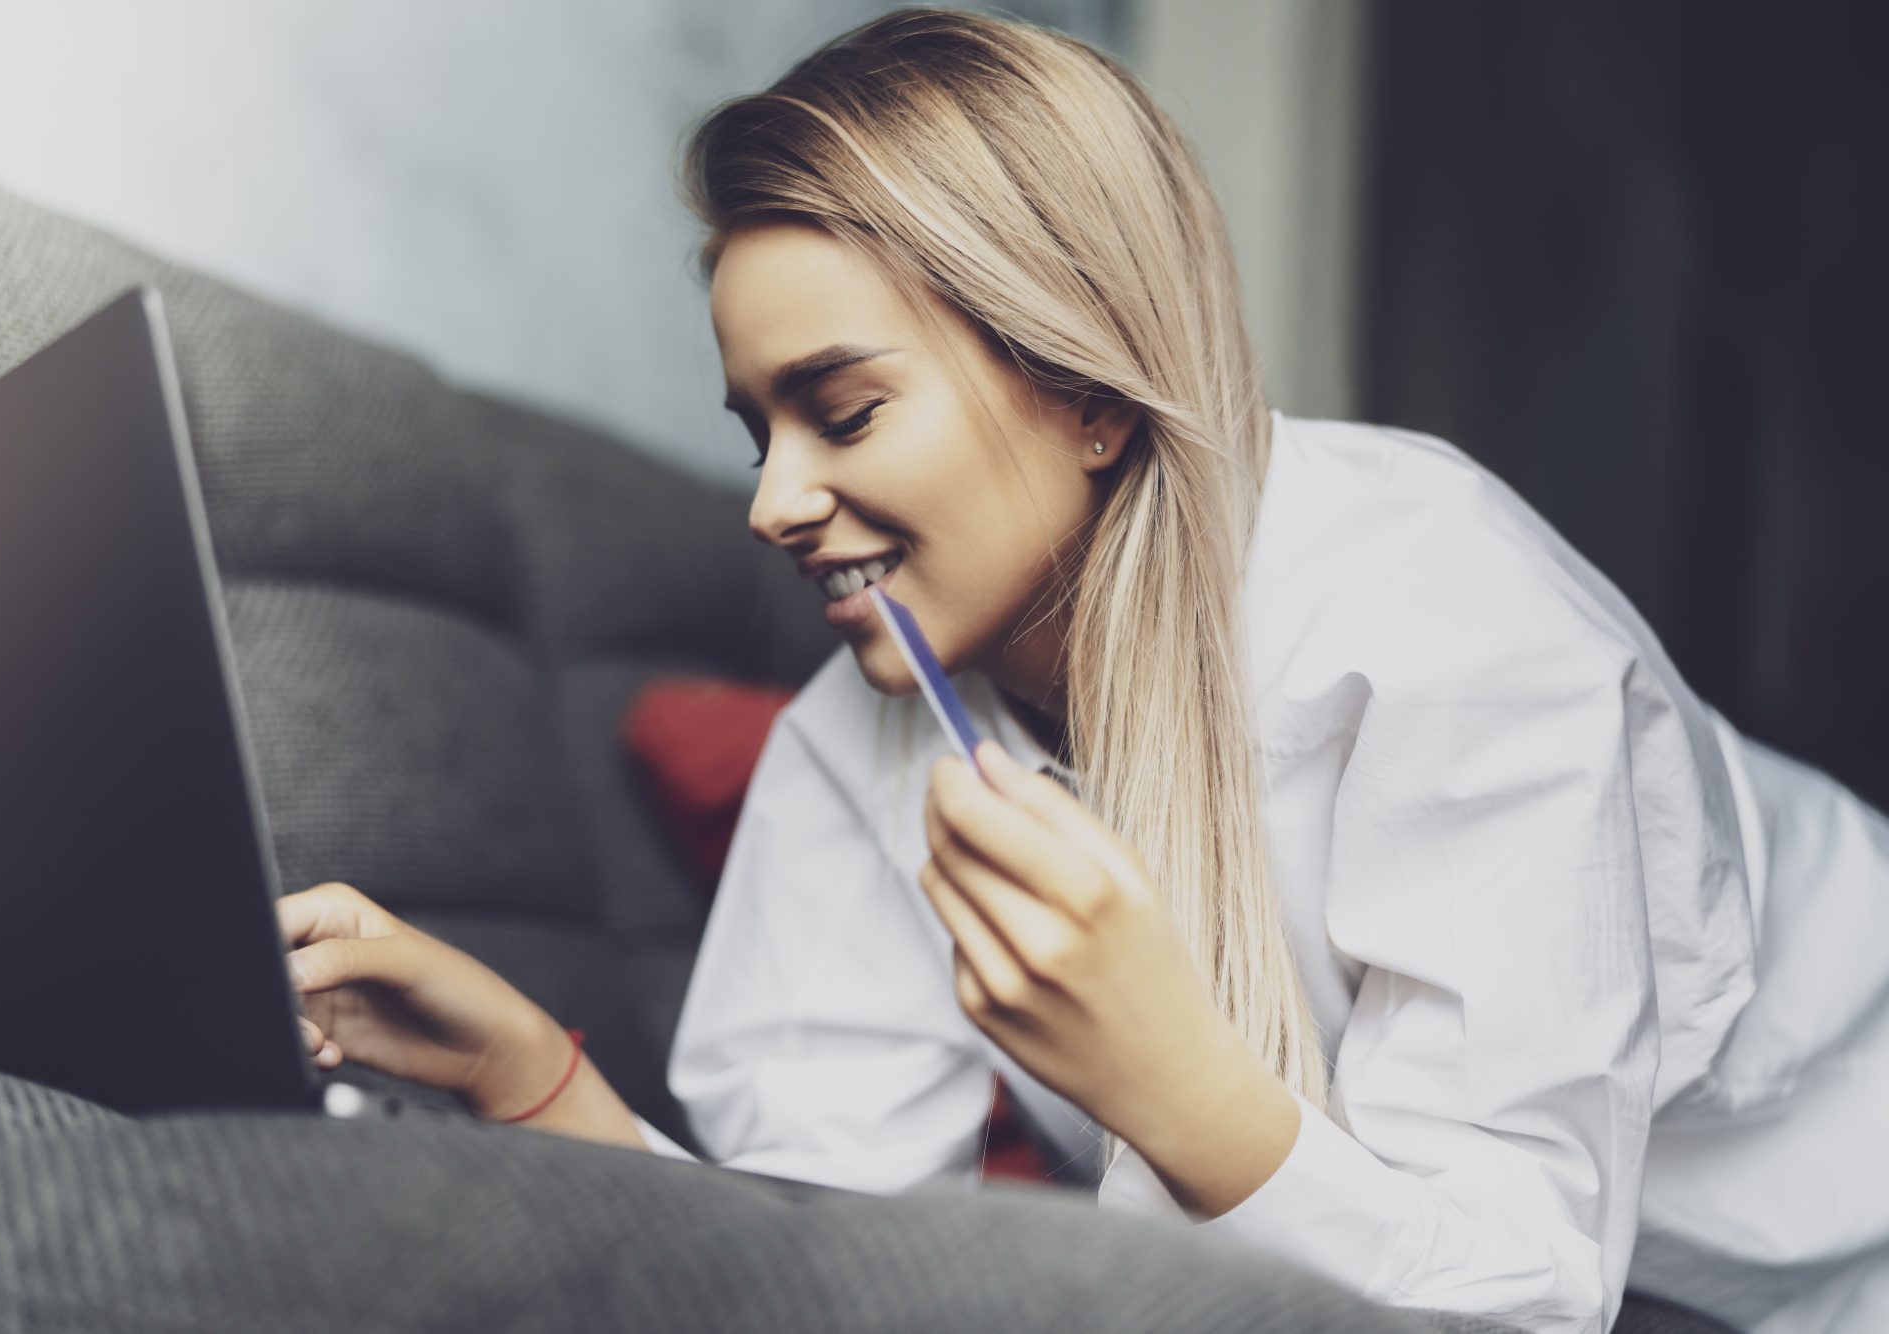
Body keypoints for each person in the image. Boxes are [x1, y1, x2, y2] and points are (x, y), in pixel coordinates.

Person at [274, 10, 1888, 1333]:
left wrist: (1173, 1083)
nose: (771, 501)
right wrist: (526, 1071)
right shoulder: (866, 742)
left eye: (840, 411)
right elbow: (831, 1268)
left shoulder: (1454, 629)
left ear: (1091, 391)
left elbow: (1521, 1301)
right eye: (755, 429)